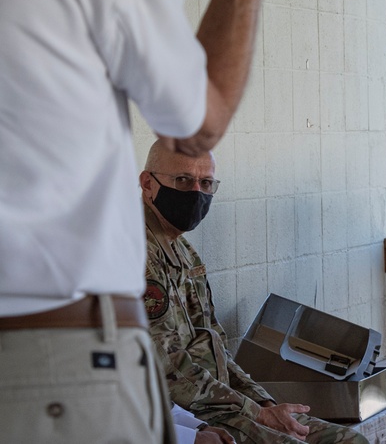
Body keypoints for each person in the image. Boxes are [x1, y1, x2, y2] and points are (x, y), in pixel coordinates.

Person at [0, 0, 363, 438]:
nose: (195, 186)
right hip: (44, 361)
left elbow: (214, 350)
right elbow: (198, 122)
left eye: (203, 183)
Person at [142, 141, 367, 444]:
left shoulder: (183, 252)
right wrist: (256, 413)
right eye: (182, 180)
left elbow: (216, 345)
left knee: (349, 441)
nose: (196, 192)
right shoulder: (137, 251)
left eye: (206, 183)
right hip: (183, 417)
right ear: (147, 183)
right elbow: (165, 367)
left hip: (223, 405)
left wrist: (265, 404)